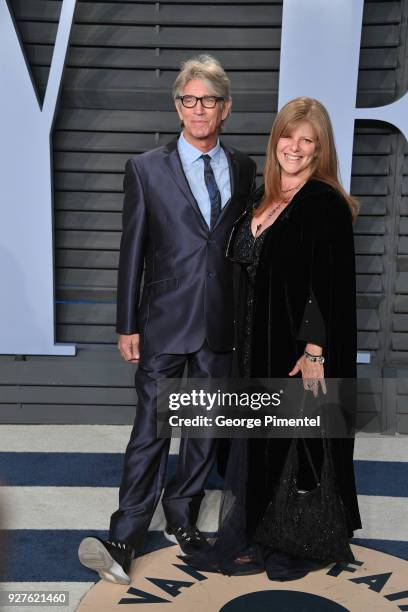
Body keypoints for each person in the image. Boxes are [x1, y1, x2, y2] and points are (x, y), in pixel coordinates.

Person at [77, 55, 256, 584]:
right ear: (177, 106)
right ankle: (127, 533)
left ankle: (182, 516)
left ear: (225, 108)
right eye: (189, 99)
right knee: (151, 430)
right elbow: (132, 250)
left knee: (202, 428)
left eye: (209, 100)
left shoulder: (245, 168)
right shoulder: (145, 168)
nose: (198, 109)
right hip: (162, 321)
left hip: (220, 322)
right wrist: (125, 322)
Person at [187, 96, 362, 580]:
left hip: (291, 349)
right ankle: (257, 530)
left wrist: (314, 351)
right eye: (289, 135)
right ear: (276, 138)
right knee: (257, 441)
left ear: (320, 149)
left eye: (308, 141)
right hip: (250, 346)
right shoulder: (262, 197)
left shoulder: (323, 202)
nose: (296, 147)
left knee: (295, 443)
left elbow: (329, 286)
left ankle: (296, 542)